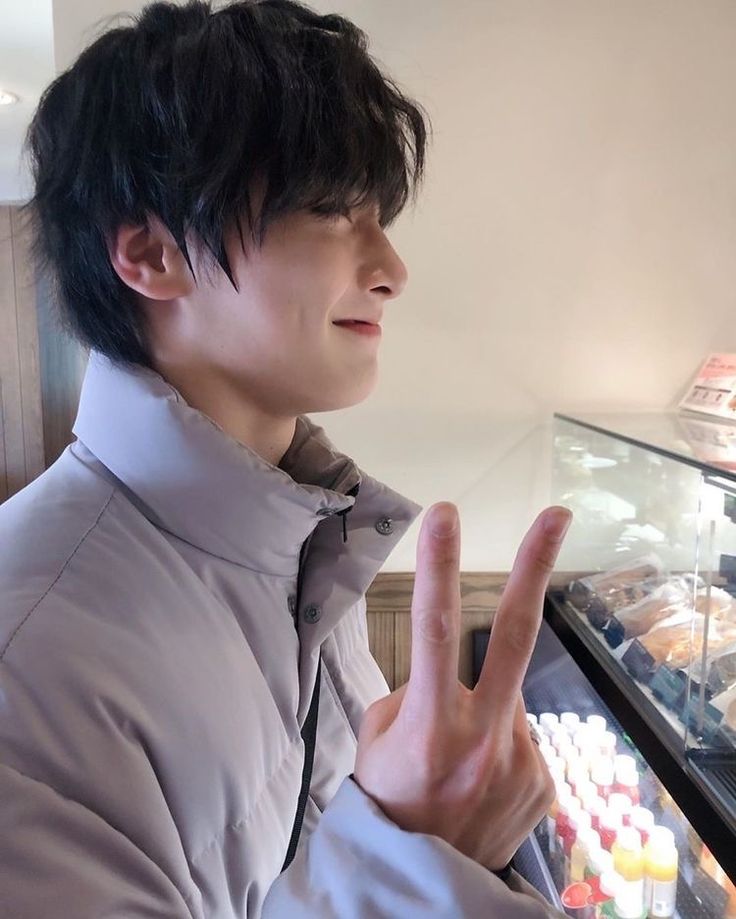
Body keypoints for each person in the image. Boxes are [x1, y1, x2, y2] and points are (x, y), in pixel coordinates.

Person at [0, 1, 572, 915]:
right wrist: (410, 854)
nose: (390, 264)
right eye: (333, 207)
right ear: (151, 252)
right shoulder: (24, 659)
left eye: (379, 212)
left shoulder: (297, 535)